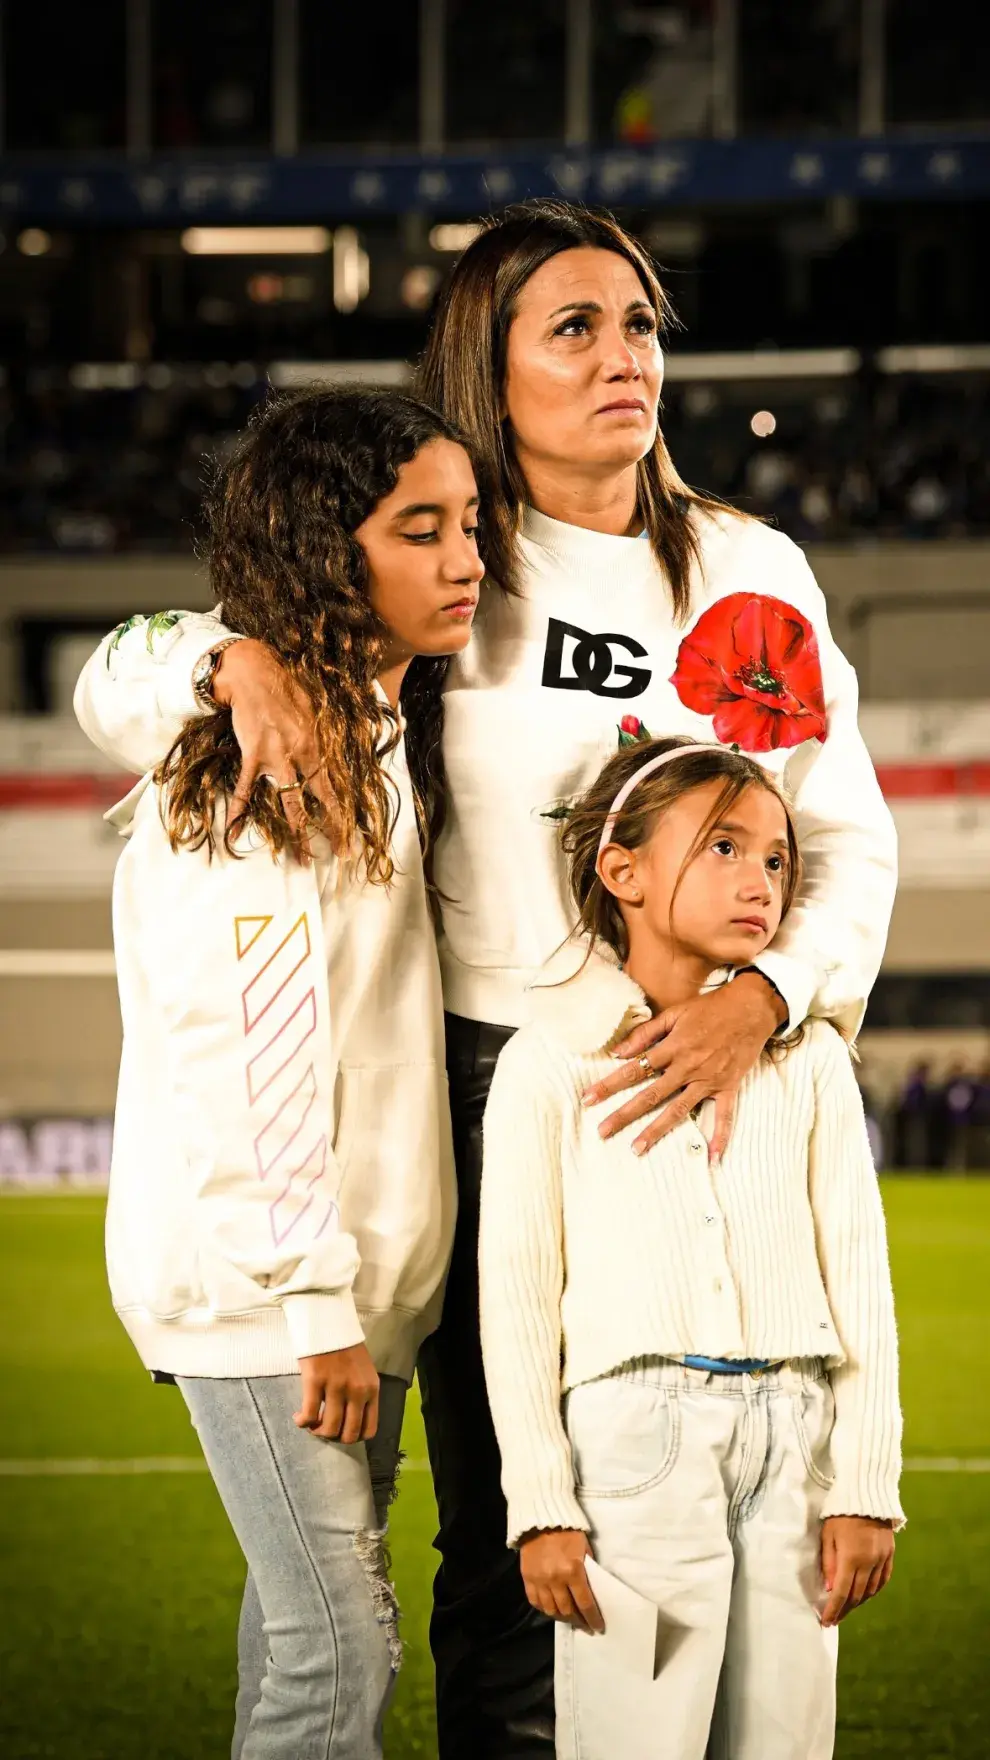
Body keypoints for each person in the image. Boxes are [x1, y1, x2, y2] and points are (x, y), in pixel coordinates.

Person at [74, 201, 897, 1758]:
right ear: (486, 361)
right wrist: (224, 660)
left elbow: (843, 834)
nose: (622, 356)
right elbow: (118, 676)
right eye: (572, 327)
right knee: (516, 1537)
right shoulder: (442, 552)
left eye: (641, 322)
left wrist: (765, 999)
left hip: (710, 1073)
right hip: (481, 1083)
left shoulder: (739, 570)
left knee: (722, 1518)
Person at [100, 385, 483, 1760]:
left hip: (341, 1290)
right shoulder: (269, 764)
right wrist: (316, 1297)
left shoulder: (375, 725)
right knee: (338, 1658)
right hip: (278, 1297)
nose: (464, 559)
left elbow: (118, 666)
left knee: (298, 1643)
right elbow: (244, 1056)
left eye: (469, 524)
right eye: (420, 529)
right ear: (331, 551)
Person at [479, 736, 904, 1760]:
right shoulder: (551, 1060)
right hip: (637, 1442)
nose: (761, 880)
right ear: (620, 870)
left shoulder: (809, 1061)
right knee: (639, 1735)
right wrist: (540, 1502)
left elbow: (859, 1271)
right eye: (724, 845)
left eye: (775, 859)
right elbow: (520, 1293)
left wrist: (863, 1482)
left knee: (785, 1740)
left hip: (796, 1436)